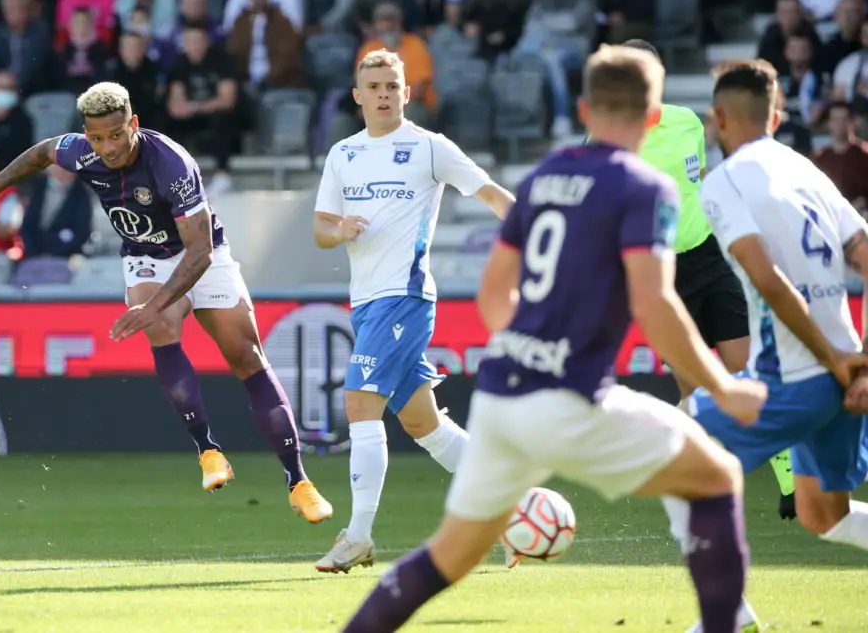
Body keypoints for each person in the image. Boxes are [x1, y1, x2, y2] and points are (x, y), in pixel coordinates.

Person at [342, 45, 768, 633]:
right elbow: (655, 303)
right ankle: (727, 622)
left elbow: (494, 295)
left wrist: (529, 345)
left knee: (449, 557)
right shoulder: (645, 187)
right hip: (571, 395)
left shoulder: (544, 178)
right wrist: (723, 387)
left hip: (501, 392)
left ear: (585, 110)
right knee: (716, 476)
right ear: (653, 117)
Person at [0, 82, 333, 524]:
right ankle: (208, 451)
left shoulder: (171, 164)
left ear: (133, 123)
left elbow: (199, 253)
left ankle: (299, 482)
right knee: (161, 330)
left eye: (117, 134)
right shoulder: (82, 153)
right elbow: (41, 153)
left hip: (202, 255)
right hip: (145, 257)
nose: (109, 147)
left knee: (246, 357)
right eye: (98, 138)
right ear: (87, 136)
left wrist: (155, 306)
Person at [312, 49, 515, 573]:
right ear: (358, 96)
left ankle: (358, 535)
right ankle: (511, 504)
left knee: (360, 403)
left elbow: (492, 194)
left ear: (407, 92)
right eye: (374, 86)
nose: (383, 94)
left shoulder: (429, 147)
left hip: (404, 297)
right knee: (424, 424)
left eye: (392, 86)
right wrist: (341, 229)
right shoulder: (342, 155)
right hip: (366, 302)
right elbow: (321, 230)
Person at [686, 58, 868, 632]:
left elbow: (767, 280)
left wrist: (830, 359)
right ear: (776, 115)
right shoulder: (807, 170)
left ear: (719, 118)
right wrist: (857, 362)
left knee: (677, 442)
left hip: (796, 377)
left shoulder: (723, 182)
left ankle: (727, 614)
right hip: (845, 373)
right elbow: (864, 255)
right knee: (823, 514)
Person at [620, 39, 795, 520]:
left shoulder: (688, 123)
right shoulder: (608, 137)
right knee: (695, 390)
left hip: (707, 257)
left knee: (747, 370)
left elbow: (697, 186)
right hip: (660, 275)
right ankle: (695, 484)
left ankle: (789, 482)